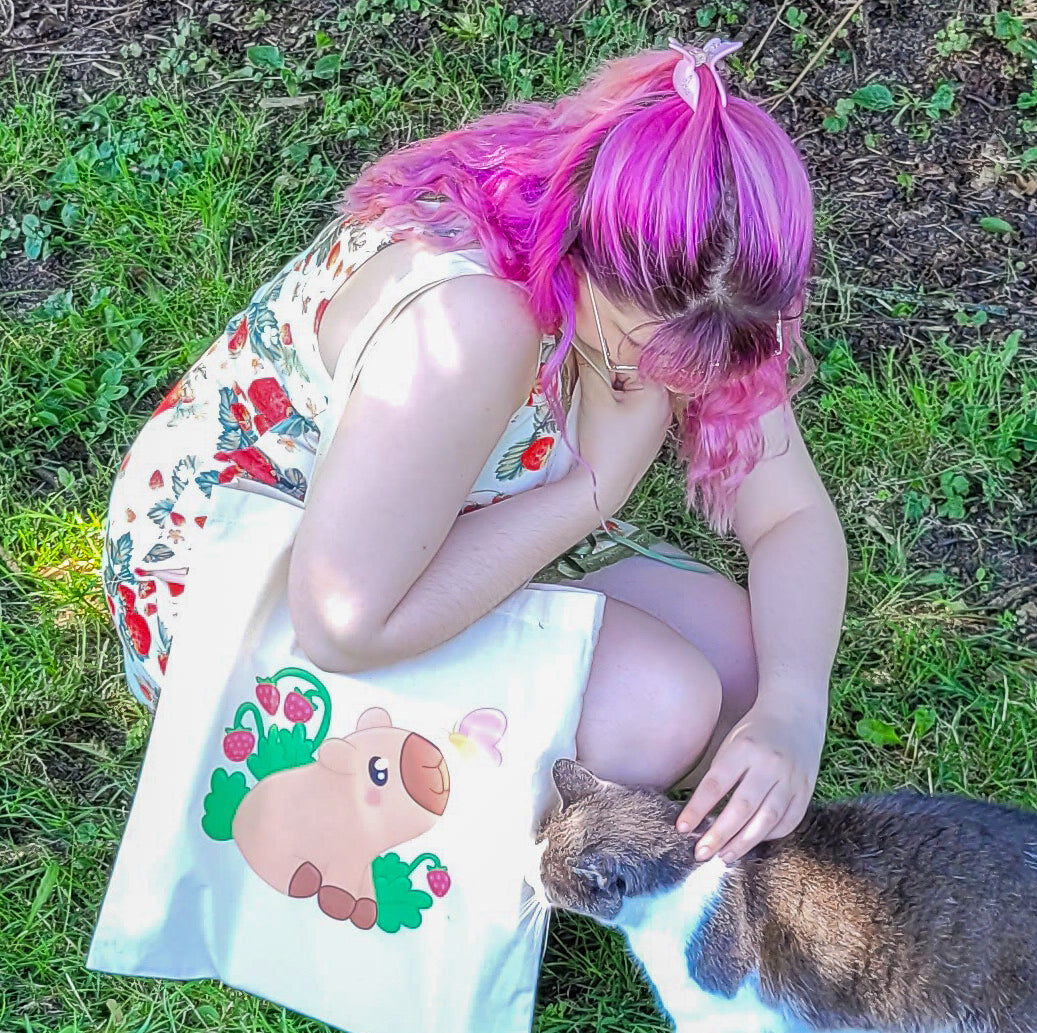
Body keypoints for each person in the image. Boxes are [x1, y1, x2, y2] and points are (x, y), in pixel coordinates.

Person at [101, 39, 848, 866]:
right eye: (655, 360)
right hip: (246, 593)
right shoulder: (472, 325)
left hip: (429, 533)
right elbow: (341, 628)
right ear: (592, 256)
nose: (684, 382)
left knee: (742, 660)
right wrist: (591, 489)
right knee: (661, 704)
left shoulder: (704, 271)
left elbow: (788, 514)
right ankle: (398, 849)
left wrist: (792, 705)